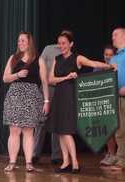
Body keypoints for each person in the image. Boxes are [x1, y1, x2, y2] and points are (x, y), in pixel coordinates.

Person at [48, 30, 115, 173]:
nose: (61, 46)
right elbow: (50, 80)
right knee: (59, 131)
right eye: (59, 43)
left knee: (66, 131)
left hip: (69, 97)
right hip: (59, 95)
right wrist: (66, 77)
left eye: (64, 43)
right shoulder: (57, 59)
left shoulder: (77, 58)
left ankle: (75, 163)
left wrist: (109, 66)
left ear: (71, 44)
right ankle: (66, 162)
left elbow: (93, 63)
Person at [3, 31, 49, 172]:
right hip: (15, 95)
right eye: (19, 41)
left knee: (29, 131)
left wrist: (47, 101)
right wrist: (17, 75)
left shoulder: (38, 59)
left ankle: (29, 162)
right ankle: (12, 162)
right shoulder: (13, 58)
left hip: (32, 96)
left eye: (23, 40)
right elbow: (5, 78)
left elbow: (44, 82)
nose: (20, 43)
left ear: (29, 42)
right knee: (14, 129)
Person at [32, 44, 62, 164]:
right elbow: (41, 65)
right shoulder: (49, 49)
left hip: (61, 89)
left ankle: (56, 155)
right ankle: (34, 153)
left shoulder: (70, 54)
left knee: (57, 123)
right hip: (46, 88)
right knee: (41, 121)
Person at [109, 27, 125, 171]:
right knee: (120, 130)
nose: (112, 37)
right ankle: (121, 161)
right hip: (118, 98)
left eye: (115, 35)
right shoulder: (113, 58)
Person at [99, 45, 117, 166]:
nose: (108, 57)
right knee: (107, 131)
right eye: (106, 55)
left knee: (116, 131)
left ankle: (115, 154)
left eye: (111, 55)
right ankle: (110, 153)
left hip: (116, 102)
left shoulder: (118, 68)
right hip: (103, 104)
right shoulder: (98, 69)